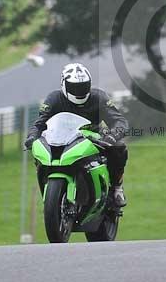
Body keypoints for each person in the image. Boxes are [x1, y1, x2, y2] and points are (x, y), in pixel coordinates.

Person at [24, 63, 129, 207]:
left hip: (92, 137)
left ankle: (117, 187)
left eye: (83, 86)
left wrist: (111, 137)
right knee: (39, 151)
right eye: (74, 87)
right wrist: (32, 137)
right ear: (64, 85)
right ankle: (49, 192)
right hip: (59, 139)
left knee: (119, 148)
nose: (79, 91)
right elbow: (39, 123)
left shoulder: (99, 97)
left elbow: (119, 121)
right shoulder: (54, 99)